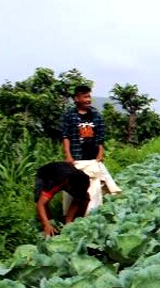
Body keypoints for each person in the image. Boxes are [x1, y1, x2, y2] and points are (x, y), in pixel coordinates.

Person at [60, 84, 121, 215]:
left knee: (94, 189)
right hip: (76, 157)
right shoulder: (69, 116)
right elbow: (66, 137)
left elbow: (100, 138)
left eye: (89, 96)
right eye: (85, 97)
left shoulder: (96, 115)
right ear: (76, 99)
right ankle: (71, 217)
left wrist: (100, 153)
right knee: (74, 189)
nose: (88, 99)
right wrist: (68, 156)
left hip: (92, 158)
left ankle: (90, 214)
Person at [34, 162, 90, 236]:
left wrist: (68, 224)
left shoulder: (82, 180)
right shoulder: (55, 183)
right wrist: (46, 224)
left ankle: (73, 221)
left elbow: (77, 200)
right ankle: (49, 225)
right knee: (41, 201)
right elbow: (40, 204)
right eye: (72, 189)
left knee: (84, 198)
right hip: (45, 174)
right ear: (68, 184)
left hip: (67, 172)